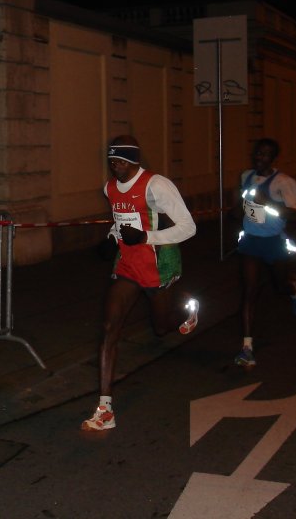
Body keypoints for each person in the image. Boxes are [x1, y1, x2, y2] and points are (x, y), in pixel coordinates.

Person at [81, 135, 199, 431]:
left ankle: (187, 312)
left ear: (134, 161)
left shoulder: (156, 185)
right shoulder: (109, 188)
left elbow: (188, 228)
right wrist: (111, 239)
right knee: (109, 328)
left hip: (157, 264)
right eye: (112, 162)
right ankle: (105, 409)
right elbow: (120, 222)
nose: (115, 167)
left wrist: (147, 237)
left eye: (121, 162)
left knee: (161, 328)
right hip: (127, 265)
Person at [234, 138, 296, 369]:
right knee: (249, 291)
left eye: (265, 154)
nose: (260, 157)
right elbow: (243, 205)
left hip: (274, 241)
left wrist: (268, 203)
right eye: (258, 153)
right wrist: (239, 209)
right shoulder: (246, 176)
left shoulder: (284, 182)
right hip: (251, 241)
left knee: (279, 285)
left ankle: (293, 289)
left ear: (273, 159)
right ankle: (247, 347)